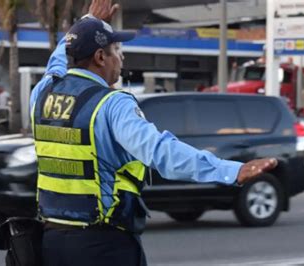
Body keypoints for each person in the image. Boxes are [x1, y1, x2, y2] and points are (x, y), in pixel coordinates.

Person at [29, 1, 278, 265]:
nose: (121, 57)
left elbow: (57, 60)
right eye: (116, 49)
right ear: (100, 57)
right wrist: (229, 170)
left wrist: (87, 21)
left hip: (51, 243)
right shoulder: (112, 104)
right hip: (103, 246)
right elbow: (162, 153)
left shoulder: (42, 93)